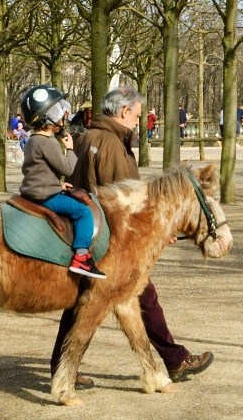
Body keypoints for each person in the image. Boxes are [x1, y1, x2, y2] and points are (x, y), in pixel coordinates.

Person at [53, 85, 214, 385]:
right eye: (137, 115)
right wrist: (155, 229)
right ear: (124, 111)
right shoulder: (112, 144)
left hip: (90, 231)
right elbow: (126, 199)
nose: (139, 121)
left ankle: (61, 368)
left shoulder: (88, 135)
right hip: (117, 241)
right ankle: (175, 360)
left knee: (80, 300)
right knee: (143, 297)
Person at [19, 85, 105, 279]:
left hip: (33, 190)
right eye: (58, 112)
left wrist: (58, 185)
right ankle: (81, 257)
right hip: (45, 196)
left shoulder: (32, 140)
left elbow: (38, 171)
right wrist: (70, 149)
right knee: (83, 212)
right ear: (47, 118)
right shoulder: (47, 142)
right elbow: (67, 168)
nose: (63, 116)